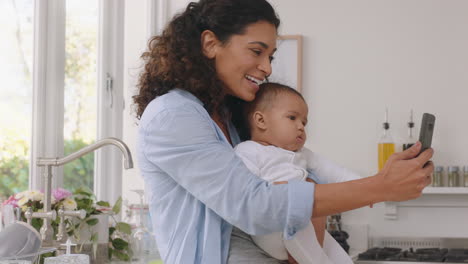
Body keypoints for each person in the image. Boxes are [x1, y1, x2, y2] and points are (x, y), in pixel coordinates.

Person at [132, 0, 434, 263]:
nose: (267, 68)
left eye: (271, 56)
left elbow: (295, 182)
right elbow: (254, 206)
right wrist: (380, 187)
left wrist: (383, 184)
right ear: (210, 44)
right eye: (256, 51)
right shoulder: (172, 115)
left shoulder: (229, 117)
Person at [234, 82, 357, 264]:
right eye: (292, 118)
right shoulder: (247, 150)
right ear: (261, 120)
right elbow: (243, 191)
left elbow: (333, 172)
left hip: (302, 226)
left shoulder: (302, 153)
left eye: (304, 122)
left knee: (338, 255)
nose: (301, 126)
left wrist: (369, 187)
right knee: (307, 227)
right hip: (273, 228)